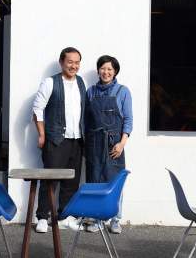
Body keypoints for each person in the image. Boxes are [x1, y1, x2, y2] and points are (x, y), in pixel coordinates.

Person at [32, 47, 86, 233]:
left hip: (77, 140)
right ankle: (42, 217)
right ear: (62, 62)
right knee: (50, 180)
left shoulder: (81, 82)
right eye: (70, 62)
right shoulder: (50, 82)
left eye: (77, 62)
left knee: (72, 181)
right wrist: (41, 134)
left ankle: (65, 216)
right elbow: (37, 110)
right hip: (56, 140)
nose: (74, 65)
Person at [85, 55, 132, 234]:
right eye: (103, 68)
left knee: (115, 181)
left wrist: (122, 143)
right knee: (95, 180)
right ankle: (96, 219)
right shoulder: (90, 92)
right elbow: (86, 119)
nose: (106, 72)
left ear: (115, 72)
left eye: (110, 69)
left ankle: (115, 219)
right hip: (94, 142)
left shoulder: (123, 91)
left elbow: (128, 119)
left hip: (114, 142)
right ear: (98, 70)